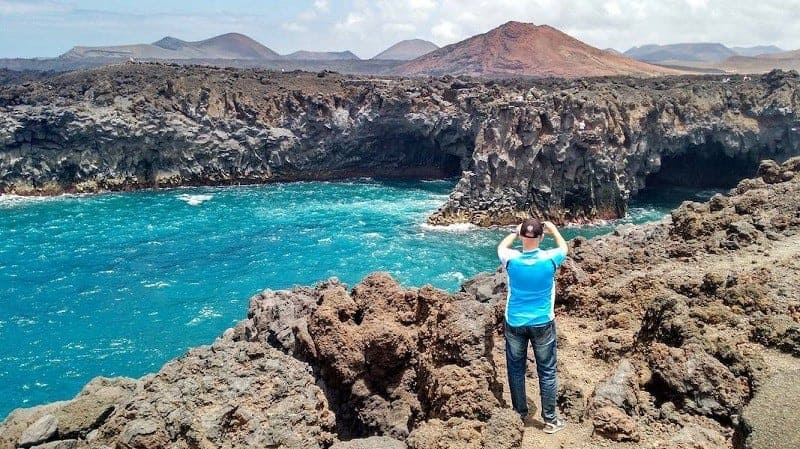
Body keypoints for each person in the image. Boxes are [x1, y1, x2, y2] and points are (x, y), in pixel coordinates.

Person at [497, 217, 568, 434]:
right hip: (542, 322)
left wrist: (514, 230)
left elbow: (502, 246)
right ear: (541, 237)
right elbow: (563, 246)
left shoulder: (510, 259)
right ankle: (550, 420)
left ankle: (520, 413)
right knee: (546, 371)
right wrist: (554, 230)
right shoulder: (551, 259)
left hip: (515, 321)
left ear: (521, 236)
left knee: (515, 368)